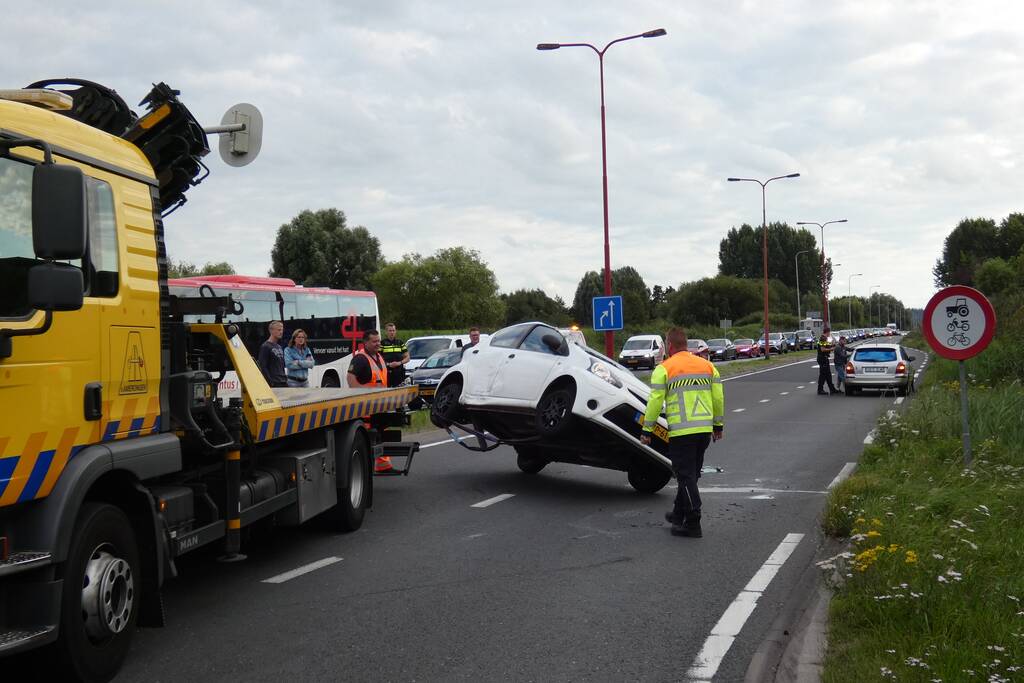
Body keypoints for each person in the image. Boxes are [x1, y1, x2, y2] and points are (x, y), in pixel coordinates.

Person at [641, 327, 724, 538]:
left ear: (669, 345)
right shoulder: (708, 366)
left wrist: (647, 429)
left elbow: (655, 401)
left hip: (681, 432)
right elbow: (718, 398)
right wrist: (718, 426)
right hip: (704, 431)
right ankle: (678, 514)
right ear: (686, 344)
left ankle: (693, 521)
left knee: (685, 476)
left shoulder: (664, 368)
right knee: (691, 476)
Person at [347, 330, 395, 472]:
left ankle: (383, 466)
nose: (378, 343)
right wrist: (362, 395)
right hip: (367, 409)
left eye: (378, 341)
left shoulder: (379, 356)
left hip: (380, 407)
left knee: (381, 436)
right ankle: (366, 469)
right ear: (365, 342)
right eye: (374, 341)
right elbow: (350, 380)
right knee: (368, 440)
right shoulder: (360, 359)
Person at [257, 320, 287, 388]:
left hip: (283, 381)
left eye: (282, 330)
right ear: (271, 331)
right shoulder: (265, 346)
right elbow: (263, 366)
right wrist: (271, 383)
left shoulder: (279, 346)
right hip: (274, 383)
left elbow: (281, 365)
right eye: (279, 330)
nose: (281, 332)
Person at [380, 322, 409, 388]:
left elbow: (407, 357)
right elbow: (377, 358)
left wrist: (399, 363)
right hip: (387, 371)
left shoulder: (400, 342)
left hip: (399, 372)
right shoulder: (382, 343)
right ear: (386, 332)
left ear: (395, 331)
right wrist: (388, 364)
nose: (392, 332)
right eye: (390, 331)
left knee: (400, 390)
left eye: (393, 330)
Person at [817, 330, 838, 395]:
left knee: (828, 374)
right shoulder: (823, 338)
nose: (830, 334)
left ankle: (832, 388)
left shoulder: (823, 338)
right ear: (827, 332)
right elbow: (822, 349)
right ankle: (820, 389)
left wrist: (832, 344)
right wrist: (832, 349)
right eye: (829, 332)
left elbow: (826, 345)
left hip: (824, 358)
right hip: (823, 358)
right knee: (823, 375)